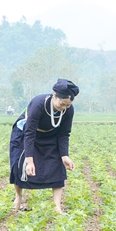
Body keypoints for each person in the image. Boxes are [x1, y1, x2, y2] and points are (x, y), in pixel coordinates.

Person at [10, 78, 79, 213]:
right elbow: (29, 133)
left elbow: (64, 134)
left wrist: (64, 155)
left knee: (58, 166)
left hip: (50, 133)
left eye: (67, 105)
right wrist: (30, 161)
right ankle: (18, 197)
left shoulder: (68, 111)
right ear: (55, 95)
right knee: (20, 165)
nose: (64, 108)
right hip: (27, 132)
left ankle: (57, 207)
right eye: (62, 103)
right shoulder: (38, 103)